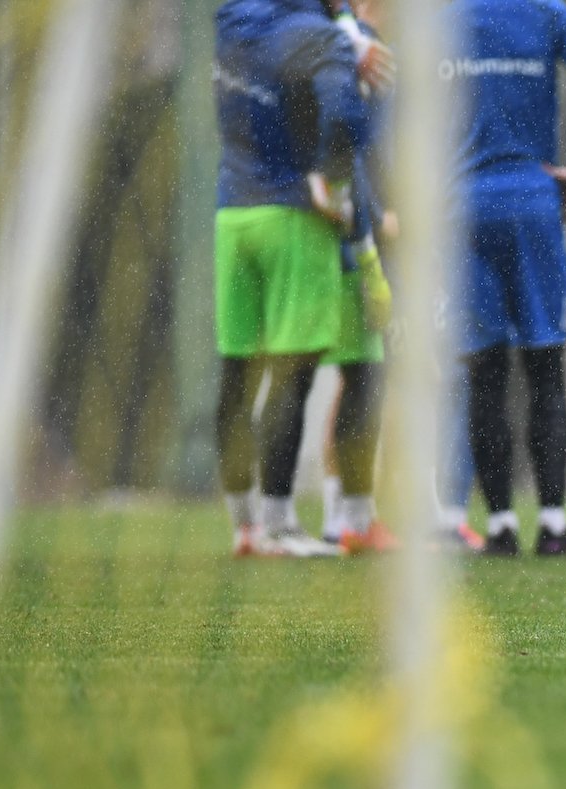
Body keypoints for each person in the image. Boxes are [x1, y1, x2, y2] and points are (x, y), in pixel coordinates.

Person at [445, 0, 566, 557]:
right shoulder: (546, 13)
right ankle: (553, 524)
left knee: (484, 372)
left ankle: (498, 526)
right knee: (544, 367)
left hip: (462, 207)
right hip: (531, 204)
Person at [213, 0, 375, 558]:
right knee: (293, 376)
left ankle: (244, 527)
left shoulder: (232, 16)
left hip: (233, 213)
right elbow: (349, 117)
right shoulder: (319, 38)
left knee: (236, 371)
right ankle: (280, 523)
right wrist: (330, 182)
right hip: (293, 213)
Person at [315, 0, 399, 554]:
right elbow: (355, 146)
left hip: (355, 229)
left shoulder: (350, 46)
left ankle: (341, 512)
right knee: (363, 378)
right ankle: (349, 516)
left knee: (358, 378)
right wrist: (380, 212)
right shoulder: (360, 54)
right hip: (356, 233)